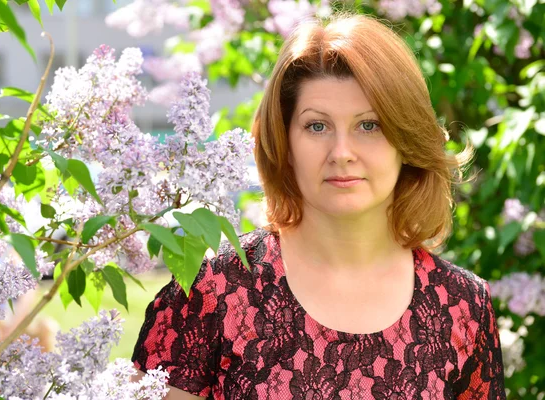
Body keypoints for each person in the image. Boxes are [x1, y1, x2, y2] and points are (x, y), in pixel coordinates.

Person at [132, 12, 506, 399]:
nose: (341, 153)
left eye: (369, 125)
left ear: (406, 141)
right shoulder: (210, 291)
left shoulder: (464, 307)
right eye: (316, 126)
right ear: (285, 144)